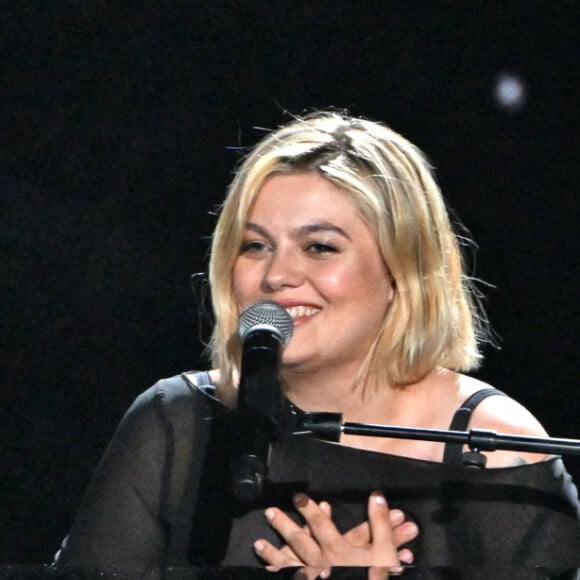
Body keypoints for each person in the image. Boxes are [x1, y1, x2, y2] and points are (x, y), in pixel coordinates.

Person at [54, 112, 580, 575]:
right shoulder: (177, 424)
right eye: (256, 245)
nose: (278, 274)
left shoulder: (498, 452)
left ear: (404, 270)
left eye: (320, 247)